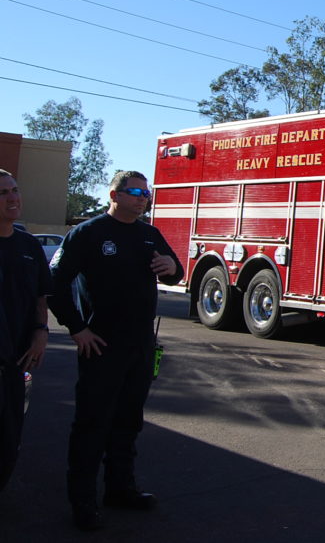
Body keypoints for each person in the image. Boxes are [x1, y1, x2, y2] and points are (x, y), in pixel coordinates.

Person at [49, 170, 182, 531]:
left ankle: (120, 488)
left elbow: (175, 273)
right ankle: (83, 501)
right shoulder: (88, 234)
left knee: (128, 421)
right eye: (136, 192)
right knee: (92, 424)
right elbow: (55, 284)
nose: (143, 198)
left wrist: (172, 267)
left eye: (146, 193)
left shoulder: (149, 234)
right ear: (115, 195)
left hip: (140, 345)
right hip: (101, 345)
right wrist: (77, 329)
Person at [0, 169, 51, 493]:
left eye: (15, 190)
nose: (13, 198)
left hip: (16, 363)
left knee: (8, 441)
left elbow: (40, 297)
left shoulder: (29, 245)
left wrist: (41, 331)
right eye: (3, 193)